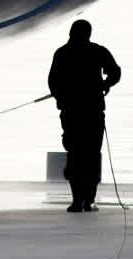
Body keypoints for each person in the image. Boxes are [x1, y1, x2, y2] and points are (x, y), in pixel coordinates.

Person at [48, 19, 121, 212]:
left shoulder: (62, 53)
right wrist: (105, 85)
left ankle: (78, 200)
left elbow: (53, 82)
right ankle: (88, 200)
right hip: (92, 111)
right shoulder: (97, 51)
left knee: (75, 154)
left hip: (72, 112)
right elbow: (115, 72)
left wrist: (61, 97)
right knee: (90, 155)